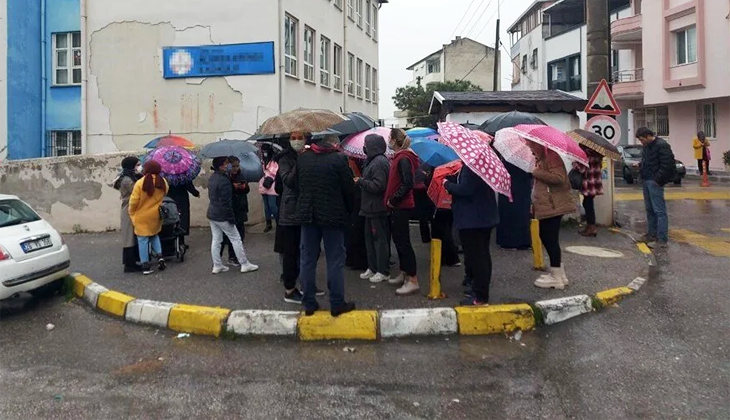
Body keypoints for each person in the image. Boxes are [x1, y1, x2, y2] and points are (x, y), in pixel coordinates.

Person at [294, 133, 356, 316]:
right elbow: (349, 190)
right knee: (335, 260)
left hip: (308, 215)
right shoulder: (339, 159)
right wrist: (349, 211)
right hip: (333, 216)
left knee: (307, 259)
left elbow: (297, 186)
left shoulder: (303, 159)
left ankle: (309, 303)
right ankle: (337, 303)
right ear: (333, 143)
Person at [274, 132, 324, 304]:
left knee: (310, 250)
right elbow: (288, 180)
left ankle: (307, 284)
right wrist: (302, 161)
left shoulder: (309, 155)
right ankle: (290, 290)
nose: (297, 141)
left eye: (300, 137)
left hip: (308, 209)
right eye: (293, 138)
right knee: (291, 251)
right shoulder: (285, 159)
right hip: (291, 211)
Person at [444, 165, 498, 306]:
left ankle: (480, 297)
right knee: (483, 255)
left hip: (473, 219)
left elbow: (465, 189)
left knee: (478, 257)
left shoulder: (471, 167)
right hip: (482, 218)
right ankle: (479, 290)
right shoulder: (480, 166)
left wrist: (447, 184)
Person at [528, 143, 576, 289]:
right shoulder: (543, 158)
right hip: (547, 205)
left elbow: (559, 178)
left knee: (549, 238)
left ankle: (556, 276)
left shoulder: (551, 157)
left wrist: (536, 172)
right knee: (549, 238)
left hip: (553, 206)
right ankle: (559, 274)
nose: (531, 150)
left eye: (531, 146)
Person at [207, 156, 259, 274]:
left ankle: (217, 265)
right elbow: (226, 201)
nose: (228, 166)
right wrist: (231, 218)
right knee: (236, 239)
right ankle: (244, 264)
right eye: (226, 164)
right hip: (222, 215)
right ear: (221, 166)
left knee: (216, 239)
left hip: (213, 214)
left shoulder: (213, 177)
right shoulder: (224, 180)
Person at [385, 128, 420, 296]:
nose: (388, 141)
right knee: (399, 241)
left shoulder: (404, 158)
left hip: (401, 206)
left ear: (394, 140)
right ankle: (405, 272)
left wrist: (393, 200)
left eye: (389, 138)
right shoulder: (399, 158)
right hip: (397, 207)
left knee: (403, 242)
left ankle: (412, 279)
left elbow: (407, 184)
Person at [356, 134, 392, 283]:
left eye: (366, 144)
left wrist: (361, 181)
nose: (364, 147)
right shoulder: (371, 161)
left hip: (377, 208)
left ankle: (382, 270)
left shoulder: (379, 163)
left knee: (380, 240)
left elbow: (378, 186)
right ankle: (372, 267)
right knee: (369, 239)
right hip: (369, 208)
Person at [636, 127, 676, 249]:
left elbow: (668, 164)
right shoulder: (647, 147)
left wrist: (657, 180)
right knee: (650, 209)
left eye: (642, 139)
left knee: (659, 211)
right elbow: (648, 161)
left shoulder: (662, 145)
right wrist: (640, 165)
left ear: (648, 136)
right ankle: (651, 234)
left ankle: (662, 239)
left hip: (654, 182)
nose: (641, 142)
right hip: (646, 179)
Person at [128, 160, 169, 275]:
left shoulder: (140, 183)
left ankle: (145, 265)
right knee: (154, 235)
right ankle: (160, 257)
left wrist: (131, 212)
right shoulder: (163, 182)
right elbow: (165, 193)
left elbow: (134, 201)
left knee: (143, 239)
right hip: (155, 214)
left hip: (141, 215)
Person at [114, 156, 142, 272]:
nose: (139, 167)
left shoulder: (129, 177)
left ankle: (133, 261)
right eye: (137, 165)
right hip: (128, 209)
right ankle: (130, 264)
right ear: (131, 166)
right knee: (129, 236)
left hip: (132, 208)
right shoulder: (127, 180)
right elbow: (137, 191)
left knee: (132, 235)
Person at [220, 156, 250, 266]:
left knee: (241, 234)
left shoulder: (241, 175)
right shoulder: (225, 177)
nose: (235, 168)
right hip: (231, 207)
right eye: (233, 166)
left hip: (241, 207)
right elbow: (224, 192)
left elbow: (247, 189)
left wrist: (243, 187)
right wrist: (233, 187)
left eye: (237, 166)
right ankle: (232, 256)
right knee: (232, 234)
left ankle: (238, 255)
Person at [496, 160, 533, 250]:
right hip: (522, 188)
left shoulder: (506, 157)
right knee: (522, 215)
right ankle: (523, 241)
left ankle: (508, 241)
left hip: (507, 187)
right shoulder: (526, 159)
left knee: (508, 215)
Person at [346, 157, 369, 271]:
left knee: (355, 231)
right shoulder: (356, 162)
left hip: (356, 201)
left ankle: (356, 260)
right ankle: (357, 259)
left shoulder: (351, 162)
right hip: (358, 200)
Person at [575, 146, 603, 237]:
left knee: (588, 205)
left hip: (588, 184)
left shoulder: (586, 156)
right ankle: (590, 226)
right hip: (595, 184)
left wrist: (575, 164)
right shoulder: (598, 155)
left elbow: (582, 169)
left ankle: (591, 227)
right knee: (588, 203)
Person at [166, 181, 200, 249]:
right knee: (182, 220)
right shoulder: (183, 176)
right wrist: (196, 193)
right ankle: (181, 242)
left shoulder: (166, 176)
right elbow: (189, 186)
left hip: (170, 200)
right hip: (182, 199)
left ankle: (171, 242)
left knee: (170, 220)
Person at [259, 144, 279, 233]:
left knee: (272, 205)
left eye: (266, 151)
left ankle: (279, 222)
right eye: (263, 151)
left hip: (272, 185)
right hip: (264, 185)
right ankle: (268, 224)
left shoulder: (274, 161)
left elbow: (275, 172)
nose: (264, 153)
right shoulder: (263, 160)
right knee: (266, 207)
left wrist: (267, 170)